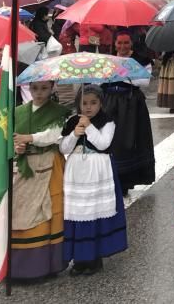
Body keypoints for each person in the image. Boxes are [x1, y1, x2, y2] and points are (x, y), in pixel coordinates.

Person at [60, 85, 128, 275]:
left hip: (98, 171)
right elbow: (64, 148)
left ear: (101, 103)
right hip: (76, 172)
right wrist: (75, 133)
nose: (88, 107)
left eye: (93, 103)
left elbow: (103, 143)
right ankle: (79, 258)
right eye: (84, 103)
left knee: (95, 211)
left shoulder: (107, 121)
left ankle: (94, 258)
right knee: (78, 212)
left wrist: (89, 127)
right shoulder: (73, 121)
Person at [9, 80, 70, 280]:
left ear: (52, 87)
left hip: (49, 163)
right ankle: (19, 268)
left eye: (44, 88)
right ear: (28, 88)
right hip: (25, 165)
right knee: (21, 210)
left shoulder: (60, 111)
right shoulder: (17, 111)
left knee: (49, 211)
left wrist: (30, 138)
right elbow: (10, 138)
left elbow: (54, 135)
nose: (39, 93)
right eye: (35, 88)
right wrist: (17, 147)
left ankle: (47, 264)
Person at [103, 31, 155, 195]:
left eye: (126, 43)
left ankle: (126, 181)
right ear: (115, 43)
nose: (123, 47)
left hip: (132, 104)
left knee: (128, 142)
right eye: (119, 43)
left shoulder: (141, 59)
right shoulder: (107, 60)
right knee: (110, 141)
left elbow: (144, 81)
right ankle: (111, 180)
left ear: (131, 43)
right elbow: (101, 79)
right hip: (110, 102)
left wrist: (122, 75)